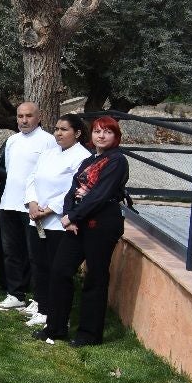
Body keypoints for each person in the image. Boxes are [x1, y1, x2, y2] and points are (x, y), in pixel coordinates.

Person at [39, 116, 130, 347]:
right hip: (77, 224)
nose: (101, 136)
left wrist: (74, 215)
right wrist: (68, 217)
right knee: (60, 271)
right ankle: (56, 327)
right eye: (98, 131)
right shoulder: (88, 161)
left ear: (115, 136)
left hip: (101, 225)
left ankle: (89, 334)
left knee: (95, 278)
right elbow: (72, 191)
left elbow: (100, 195)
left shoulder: (117, 161)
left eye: (107, 132)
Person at [23, 114, 91, 329]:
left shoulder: (82, 157)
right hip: (38, 218)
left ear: (77, 133)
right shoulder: (49, 153)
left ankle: (58, 313)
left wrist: (50, 209)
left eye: (64, 129)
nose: (58, 133)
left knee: (57, 268)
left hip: (58, 221)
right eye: (56, 129)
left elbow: (72, 190)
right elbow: (32, 178)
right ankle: (42, 306)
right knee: (39, 263)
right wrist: (33, 204)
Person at [0, 102, 56, 313]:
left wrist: (37, 203)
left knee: (35, 254)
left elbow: (48, 174)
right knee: (11, 252)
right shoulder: (12, 141)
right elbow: (9, 170)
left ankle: (39, 298)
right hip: (8, 203)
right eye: (20, 116)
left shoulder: (48, 141)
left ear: (38, 117)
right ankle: (15, 294)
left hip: (32, 207)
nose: (24, 120)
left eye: (28, 116)